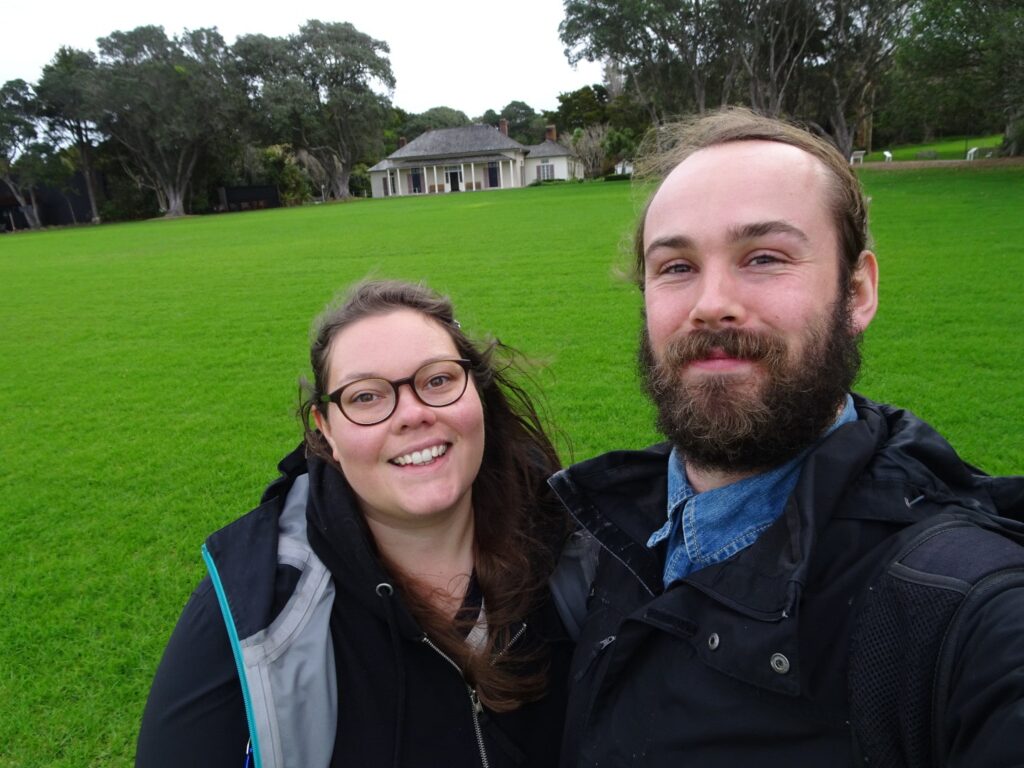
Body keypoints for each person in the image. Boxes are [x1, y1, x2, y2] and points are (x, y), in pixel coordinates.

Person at [549, 108, 1024, 767]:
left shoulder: (966, 614)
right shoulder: (601, 540)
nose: (710, 302)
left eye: (764, 257)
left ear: (857, 292)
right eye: (676, 267)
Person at [137, 280, 574, 768]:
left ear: (476, 393)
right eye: (366, 397)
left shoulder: (577, 547)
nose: (413, 414)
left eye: (437, 380)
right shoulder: (259, 608)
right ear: (327, 432)